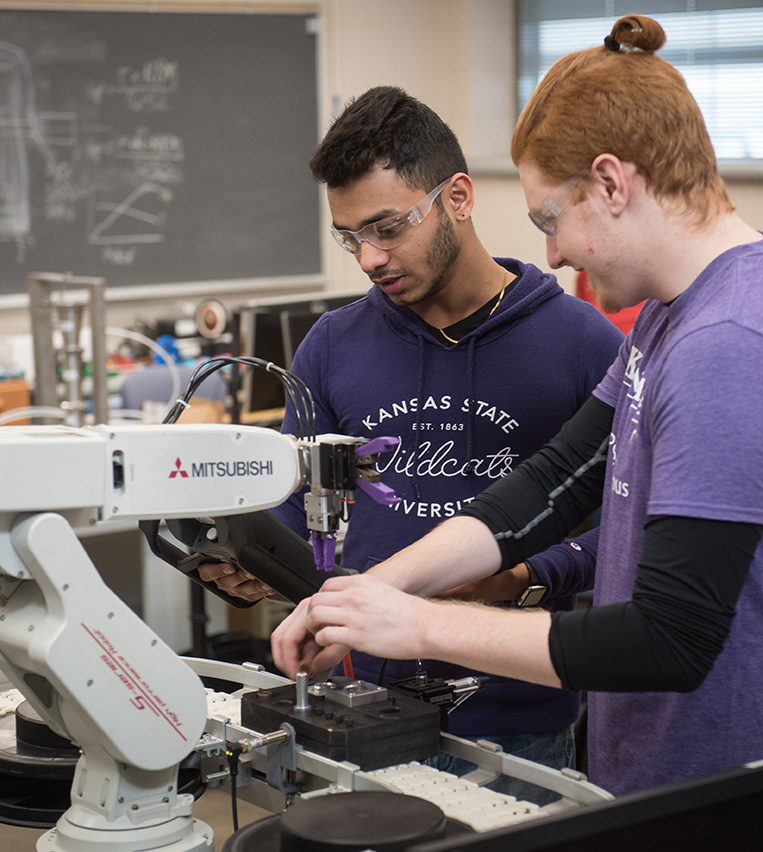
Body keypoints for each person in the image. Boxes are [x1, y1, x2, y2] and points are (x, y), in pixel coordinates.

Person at [271, 17, 763, 852]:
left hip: (736, 792)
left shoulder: (733, 344)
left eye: (550, 217)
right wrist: (368, 595)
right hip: (670, 776)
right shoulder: (678, 313)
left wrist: (421, 627)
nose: (551, 249)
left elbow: (667, 636)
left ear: (610, 184)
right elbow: (556, 480)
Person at [199, 86, 623, 800]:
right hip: (358, 707)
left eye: (388, 228)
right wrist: (246, 560)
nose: (367, 258)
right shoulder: (332, 346)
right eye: (349, 237)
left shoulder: (583, 344)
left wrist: (525, 576)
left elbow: (630, 535)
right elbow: (292, 502)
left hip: (519, 721)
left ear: (458, 196)